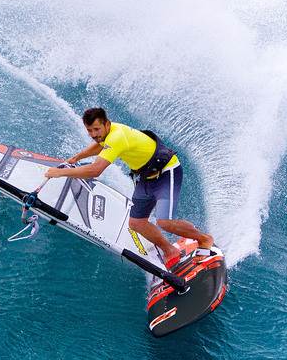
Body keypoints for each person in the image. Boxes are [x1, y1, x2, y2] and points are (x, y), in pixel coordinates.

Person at [44, 107, 213, 270]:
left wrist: (60, 173)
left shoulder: (117, 136)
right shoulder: (107, 134)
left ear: (107, 124)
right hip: (146, 176)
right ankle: (169, 250)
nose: (94, 134)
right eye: (89, 130)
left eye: (96, 129)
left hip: (167, 171)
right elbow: (101, 145)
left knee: (164, 222)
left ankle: (204, 239)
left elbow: (95, 170)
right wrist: (76, 158)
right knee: (136, 223)